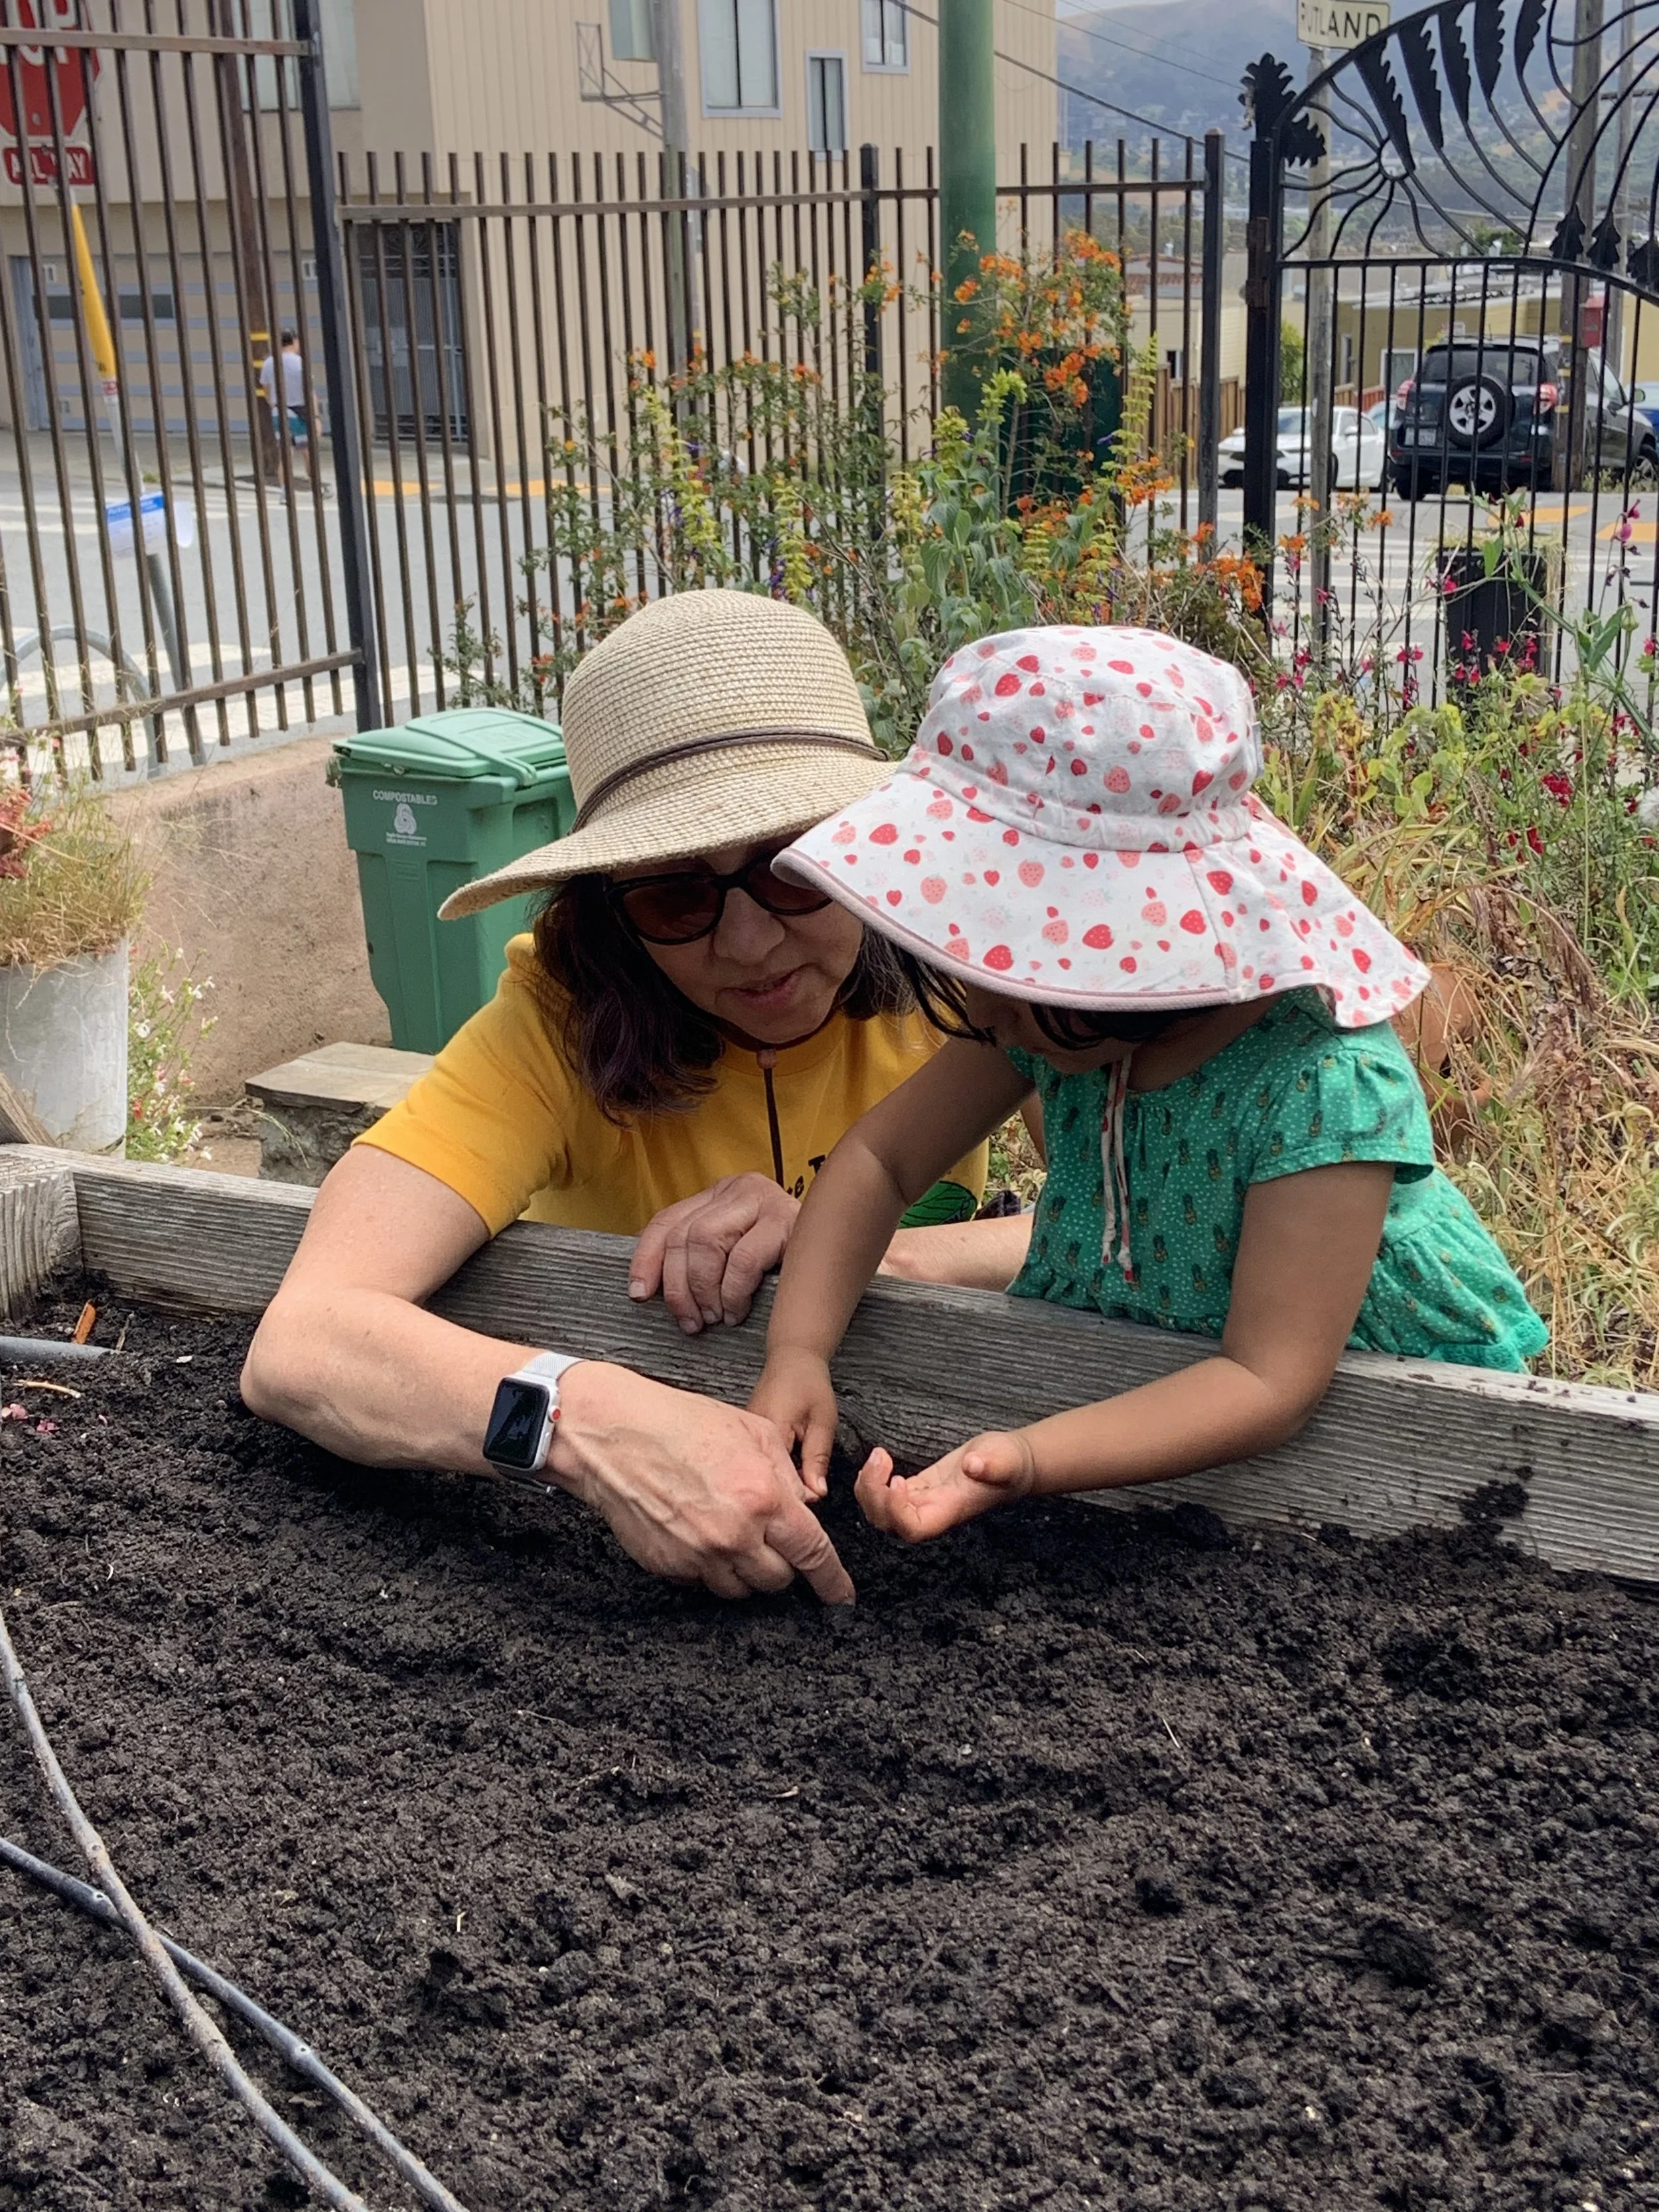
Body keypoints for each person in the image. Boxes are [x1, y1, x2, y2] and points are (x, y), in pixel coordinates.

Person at [242, 591, 1033, 1602]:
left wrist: (857, 1242)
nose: (748, 944)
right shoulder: (554, 1028)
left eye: (796, 870)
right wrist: (588, 1423)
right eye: (674, 893)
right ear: (611, 905)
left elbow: (1165, 1239)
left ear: (874, 843)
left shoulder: (977, 966)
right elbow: (302, 1341)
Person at [750, 623, 1548, 1544]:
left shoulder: (1323, 1088)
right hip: (1127, 1389)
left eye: (1008, 965)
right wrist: (798, 1350)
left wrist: (1028, 1459)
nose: (985, 1006)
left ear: (1132, 949)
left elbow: (1267, 1381)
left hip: (1393, 1469)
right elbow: (881, 1161)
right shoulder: (1049, 1021)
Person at [258, 328, 315, 491]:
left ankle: (285, 491)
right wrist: (315, 416)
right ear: (295, 341)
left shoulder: (269, 363)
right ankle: (315, 483)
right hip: (299, 411)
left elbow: (266, 388)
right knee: (307, 451)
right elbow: (309, 390)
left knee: (285, 454)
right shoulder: (300, 363)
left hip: (279, 411)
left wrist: (273, 403)